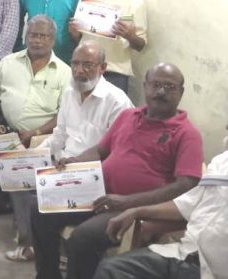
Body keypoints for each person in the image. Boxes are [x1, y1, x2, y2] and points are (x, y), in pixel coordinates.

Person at [31, 63, 204, 279]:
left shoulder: (187, 134)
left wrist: (127, 202)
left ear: (181, 92)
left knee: (82, 238)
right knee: (39, 206)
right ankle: (48, 275)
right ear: (145, 86)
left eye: (169, 87)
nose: (161, 92)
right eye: (156, 85)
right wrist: (74, 161)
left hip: (132, 207)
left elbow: (186, 185)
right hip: (96, 194)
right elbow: (101, 150)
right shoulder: (128, 116)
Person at [3, 41, 132, 262]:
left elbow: (116, 154)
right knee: (17, 178)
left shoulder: (117, 103)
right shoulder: (70, 92)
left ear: (103, 67)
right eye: (75, 64)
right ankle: (30, 243)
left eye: (88, 65)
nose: (79, 70)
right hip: (62, 165)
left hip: (92, 175)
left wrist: (75, 166)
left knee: (39, 202)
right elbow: (59, 135)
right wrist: (33, 156)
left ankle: (50, 248)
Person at [0, 15, 71, 220]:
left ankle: (19, 205)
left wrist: (36, 132)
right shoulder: (9, 61)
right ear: (25, 37)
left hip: (40, 134)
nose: (37, 40)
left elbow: (64, 115)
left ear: (52, 40)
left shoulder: (65, 72)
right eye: (33, 35)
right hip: (2, 126)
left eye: (43, 36)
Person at [94, 148, 228, 279]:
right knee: (113, 270)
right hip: (186, 254)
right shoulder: (222, 162)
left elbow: (184, 185)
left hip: (217, 269)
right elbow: (188, 204)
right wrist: (137, 211)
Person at [69, 0, 148, 93]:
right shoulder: (86, 0)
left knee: (113, 115)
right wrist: (74, 34)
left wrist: (129, 36)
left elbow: (141, 45)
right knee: (82, 111)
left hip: (115, 73)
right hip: (84, 70)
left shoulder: (134, 2)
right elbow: (81, 39)